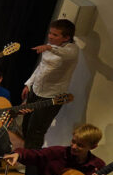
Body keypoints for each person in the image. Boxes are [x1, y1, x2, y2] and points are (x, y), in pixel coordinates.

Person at [21, 19, 79, 149]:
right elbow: (41, 67)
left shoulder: (72, 50)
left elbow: (64, 53)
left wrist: (49, 47)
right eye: (50, 33)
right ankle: (26, 154)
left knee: (36, 130)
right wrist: (29, 84)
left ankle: (31, 162)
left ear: (67, 38)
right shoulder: (50, 46)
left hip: (51, 96)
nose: (50, 37)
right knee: (25, 125)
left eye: (55, 35)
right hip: (36, 90)